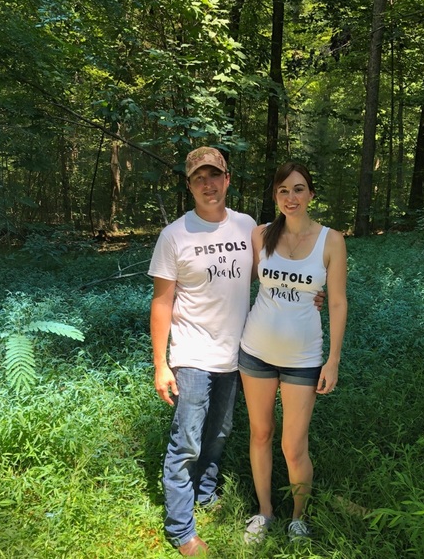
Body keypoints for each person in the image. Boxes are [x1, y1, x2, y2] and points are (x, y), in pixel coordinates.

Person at [148, 146, 256, 556]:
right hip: (191, 354)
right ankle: (181, 529)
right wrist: (161, 363)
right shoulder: (175, 235)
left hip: (235, 353)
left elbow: (271, 273)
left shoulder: (247, 226)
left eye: (214, 176)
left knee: (219, 433)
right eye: (199, 178)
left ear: (227, 180)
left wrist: (310, 296)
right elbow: (162, 302)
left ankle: (205, 493)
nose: (208, 184)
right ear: (190, 185)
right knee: (187, 443)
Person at [239, 162, 348, 544]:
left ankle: (298, 519)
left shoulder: (331, 241)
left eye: (298, 189)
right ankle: (265, 512)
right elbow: (240, 282)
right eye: (283, 190)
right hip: (255, 352)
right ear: (275, 196)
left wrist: (333, 360)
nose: (291, 197)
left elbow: (337, 301)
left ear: (311, 194)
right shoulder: (260, 235)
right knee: (261, 433)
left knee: (293, 446)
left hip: (303, 359)